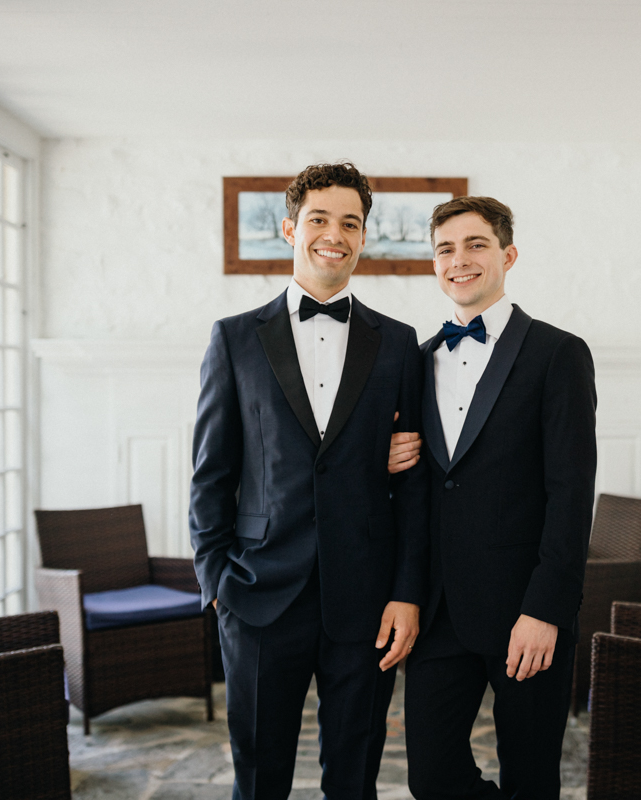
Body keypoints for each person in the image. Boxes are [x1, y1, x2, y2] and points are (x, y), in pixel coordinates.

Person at [190, 162, 428, 800]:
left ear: (363, 237)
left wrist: (406, 591)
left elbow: (413, 487)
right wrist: (215, 578)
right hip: (258, 593)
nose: (335, 234)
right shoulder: (234, 339)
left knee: (354, 779)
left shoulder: (402, 345)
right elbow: (210, 474)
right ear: (291, 228)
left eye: (351, 223)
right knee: (259, 777)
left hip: (367, 598)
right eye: (320, 219)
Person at [388, 196, 597, 799]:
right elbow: (421, 484)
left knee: (530, 779)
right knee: (431, 777)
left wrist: (547, 609)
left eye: (475, 245)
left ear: (507, 255)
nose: (459, 260)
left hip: (524, 611)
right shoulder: (418, 359)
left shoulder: (559, 354)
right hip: (440, 612)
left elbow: (571, 492)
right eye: (445, 249)